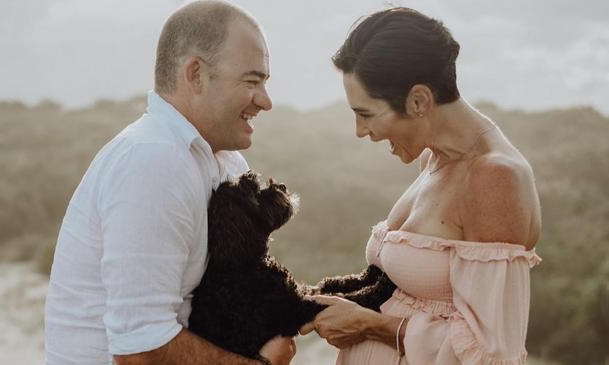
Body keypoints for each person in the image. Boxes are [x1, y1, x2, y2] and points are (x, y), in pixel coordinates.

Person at [44, 1, 295, 364]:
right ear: (195, 74)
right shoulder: (153, 161)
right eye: (252, 81)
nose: (265, 101)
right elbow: (140, 350)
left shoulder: (224, 160)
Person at [301, 7, 542, 365]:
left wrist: (372, 327)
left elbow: (493, 353)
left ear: (418, 101)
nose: (360, 131)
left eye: (366, 114)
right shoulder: (436, 158)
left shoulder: (493, 178)